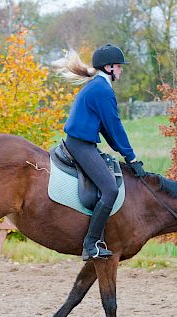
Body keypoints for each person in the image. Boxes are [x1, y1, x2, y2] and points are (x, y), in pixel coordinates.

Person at [52, 44, 147, 261]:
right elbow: (115, 126)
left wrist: (125, 154)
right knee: (110, 189)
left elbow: (106, 128)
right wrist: (131, 157)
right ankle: (91, 243)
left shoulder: (98, 86)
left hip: (83, 143)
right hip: (80, 145)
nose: (121, 70)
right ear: (109, 67)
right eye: (119, 67)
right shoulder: (102, 90)